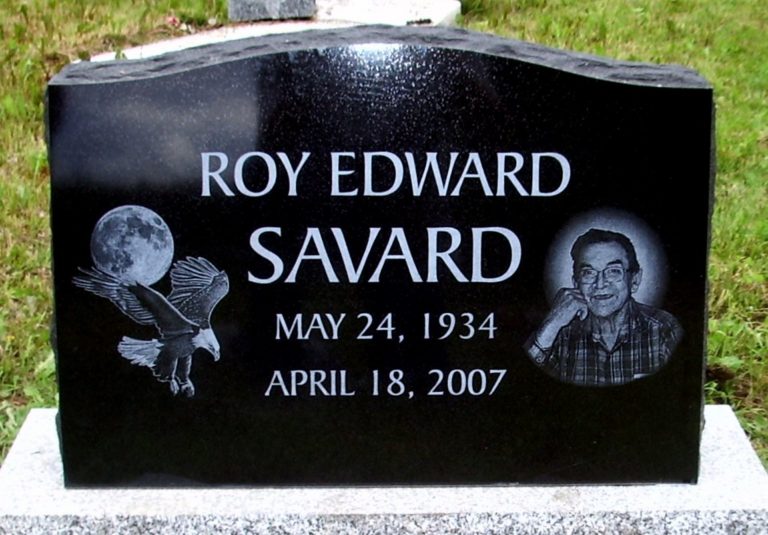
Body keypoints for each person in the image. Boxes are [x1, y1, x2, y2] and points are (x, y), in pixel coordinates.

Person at [526, 228, 682, 386]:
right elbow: (520, 384)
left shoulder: (664, 329)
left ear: (634, 280)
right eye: (588, 273)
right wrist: (552, 325)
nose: (600, 284)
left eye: (613, 271)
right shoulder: (561, 333)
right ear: (575, 284)